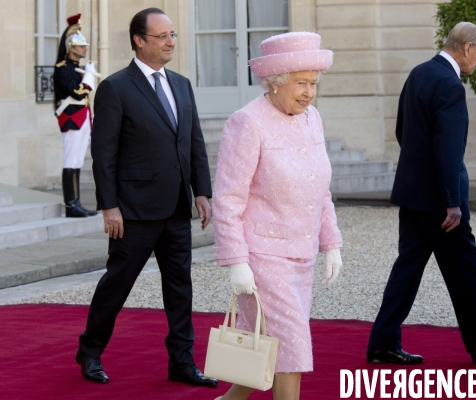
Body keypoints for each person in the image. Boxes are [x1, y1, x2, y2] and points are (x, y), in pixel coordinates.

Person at [75, 8, 217, 388]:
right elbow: (103, 153)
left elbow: (194, 142)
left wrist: (201, 191)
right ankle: (89, 351)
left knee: (180, 289)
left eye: (173, 35)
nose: (172, 41)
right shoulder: (116, 88)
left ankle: (182, 363)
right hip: (133, 211)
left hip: (175, 208)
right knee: (116, 285)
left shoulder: (182, 85)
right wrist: (109, 206)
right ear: (140, 40)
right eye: (163, 36)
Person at [367, 22, 476, 365]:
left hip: (412, 193)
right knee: (466, 271)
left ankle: (382, 343)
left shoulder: (419, 73)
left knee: (406, 270)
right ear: (466, 48)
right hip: (440, 202)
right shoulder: (450, 85)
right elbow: (448, 149)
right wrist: (452, 202)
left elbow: (402, 132)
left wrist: (419, 177)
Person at [212, 32, 343, 400]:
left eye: (313, 83)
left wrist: (330, 243)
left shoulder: (311, 119)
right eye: (301, 83)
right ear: (275, 81)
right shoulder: (247, 122)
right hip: (262, 257)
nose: (309, 92)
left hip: (301, 258)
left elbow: (322, 188)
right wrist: (236, 261)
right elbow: (227, 198)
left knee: (271, 348)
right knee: (292, 349)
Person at [53, 14, 98, 218]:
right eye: (81, 46)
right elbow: (79, 92)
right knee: (71, 160)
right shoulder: (62, 69)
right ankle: (71, 205)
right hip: (71, 119)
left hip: (81, 119)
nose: (85, 49)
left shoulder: (75, 69)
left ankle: (77, 203)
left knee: (78, 160)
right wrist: (89, 75)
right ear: (71, 47)